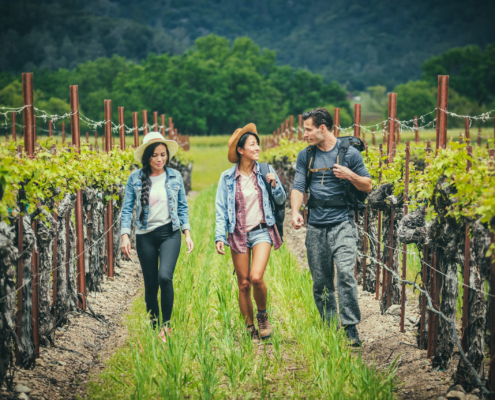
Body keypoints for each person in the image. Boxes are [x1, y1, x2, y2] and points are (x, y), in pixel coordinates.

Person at [290, 108, 371, 346]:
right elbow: (298, 186)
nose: (304, 134)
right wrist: (295, 212)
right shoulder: (306, 156)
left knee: (346, 274)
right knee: (321, 281)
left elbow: (367, 184)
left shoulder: (350, 154)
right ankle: (328, 326)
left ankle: (349, 328)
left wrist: (349, 175)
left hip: (343, 223)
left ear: (322, 128)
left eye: (307, 129)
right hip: (315, 226)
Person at [215, 123, 286, 342]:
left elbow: (281, 200)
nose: (257, 148)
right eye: (252, 145)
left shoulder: (266, 171)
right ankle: (250, 328)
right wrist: (219, 236)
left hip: (262, 231)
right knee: (243, 283)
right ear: (240, 150)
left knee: (256, 278)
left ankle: (262, 315)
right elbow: (220, 209)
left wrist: (275, 186)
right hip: (238, 234)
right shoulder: (227, 178)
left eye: (257, 144)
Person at [120, 131, 194, 342]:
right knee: (151, 285)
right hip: (145, 236)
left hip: (170, 233)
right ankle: (155, 330)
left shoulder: (175, 176)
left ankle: (166, 327)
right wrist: (125, 236)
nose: (160, 159)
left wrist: (186, 233)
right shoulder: (134, 178)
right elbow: (127, 210)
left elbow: (182, 207)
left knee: (165, 277)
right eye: (155, 155)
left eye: (163, 154)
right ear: (147, 157)